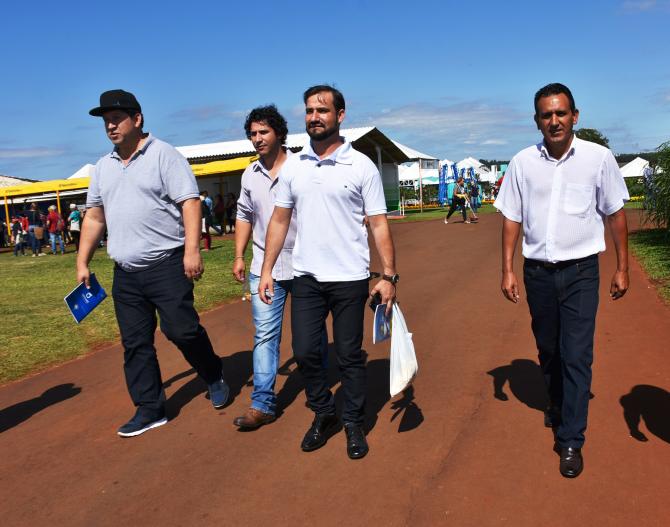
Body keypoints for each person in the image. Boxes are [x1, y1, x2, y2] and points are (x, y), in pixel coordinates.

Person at [495, 83, 629, 478]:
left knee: (576, 354)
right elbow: (512, 218)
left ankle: (571, 439)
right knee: (549, 349)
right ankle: (556, 402)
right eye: (546, 115)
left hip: (581, 272)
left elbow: (615, 213)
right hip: (537, 272)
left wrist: (622, 267)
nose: (554, 121)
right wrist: (507, 269)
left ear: (575, 116)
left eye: (560, 113)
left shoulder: (598, 158)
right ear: (537, 120)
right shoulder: (522, 162)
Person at [77, 89, 229, 437]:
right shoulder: (103, 167)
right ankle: (150, 409)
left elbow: (190, 203)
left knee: (181, 330)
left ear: (137, 119)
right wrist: (82, 261)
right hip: (126, 273)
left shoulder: (164, 155)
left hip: (166, 264)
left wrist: (192, 250)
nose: (110, 126)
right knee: (135, 343)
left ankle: (213, 372)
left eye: (116, 118)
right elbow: (95, 217)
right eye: (106, 121)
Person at [259, 85, 398, 459]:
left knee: (349, 355)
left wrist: (388, 276)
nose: (314, 117)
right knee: (305, 351)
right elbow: (279, 220)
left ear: (340, 115)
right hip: (306, 276)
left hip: (350, 277)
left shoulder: (361, 166)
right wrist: (267, 269)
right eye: (309, 111)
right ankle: (324, 413)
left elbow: (378, 223)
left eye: (322, 110)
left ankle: (353, 421)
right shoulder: (294, 166)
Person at [231, 105, 293, 429]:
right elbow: (244, 215)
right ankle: (262, 404)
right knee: (265, 335)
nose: (257, 138)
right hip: (263, 267)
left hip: (304, 265)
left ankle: (320, 393)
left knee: (309, 339)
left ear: (279, 133)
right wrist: (239, 255)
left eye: (263, 132)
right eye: (253, 133)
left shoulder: (300, 168)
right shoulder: (249, 174)